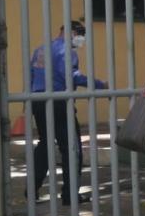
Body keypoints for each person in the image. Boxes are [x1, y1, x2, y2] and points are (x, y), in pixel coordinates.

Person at [29, 20, 106, 205]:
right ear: (72, 33)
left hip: (38, 101)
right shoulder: (67, 52)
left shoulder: (40, 50)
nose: (81, 40)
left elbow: (31, 76)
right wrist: (100, 84)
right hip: (58, 102)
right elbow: (72, 77)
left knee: (46, 144)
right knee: (71, 148)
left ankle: (32, 190)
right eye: (80, 35)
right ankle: (70, 194)